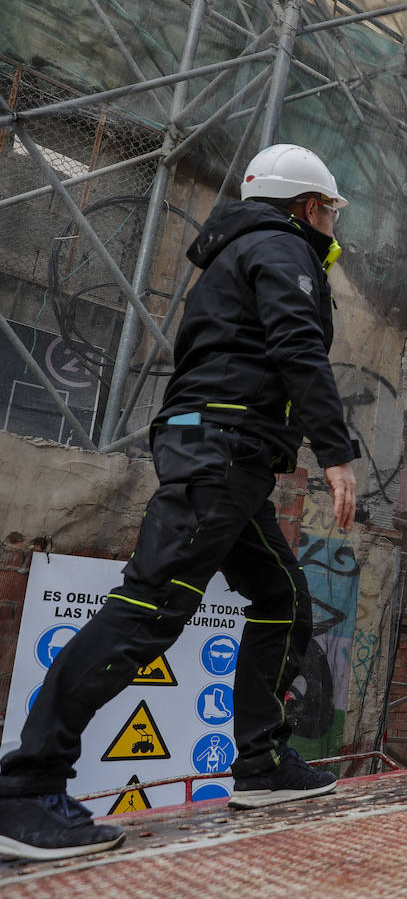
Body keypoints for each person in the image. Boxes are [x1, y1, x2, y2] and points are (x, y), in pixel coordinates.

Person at [0, 144, 357, 860]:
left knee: (283, 599)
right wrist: (337, 452)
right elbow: (297, 346)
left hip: (231, 455)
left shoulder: (245, 251)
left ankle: (257, 764)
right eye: (327, 211)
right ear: (305, 207)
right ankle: (23, 790)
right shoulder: (279, 247)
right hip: (220, 451)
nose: (328, 224)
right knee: (149, 608)